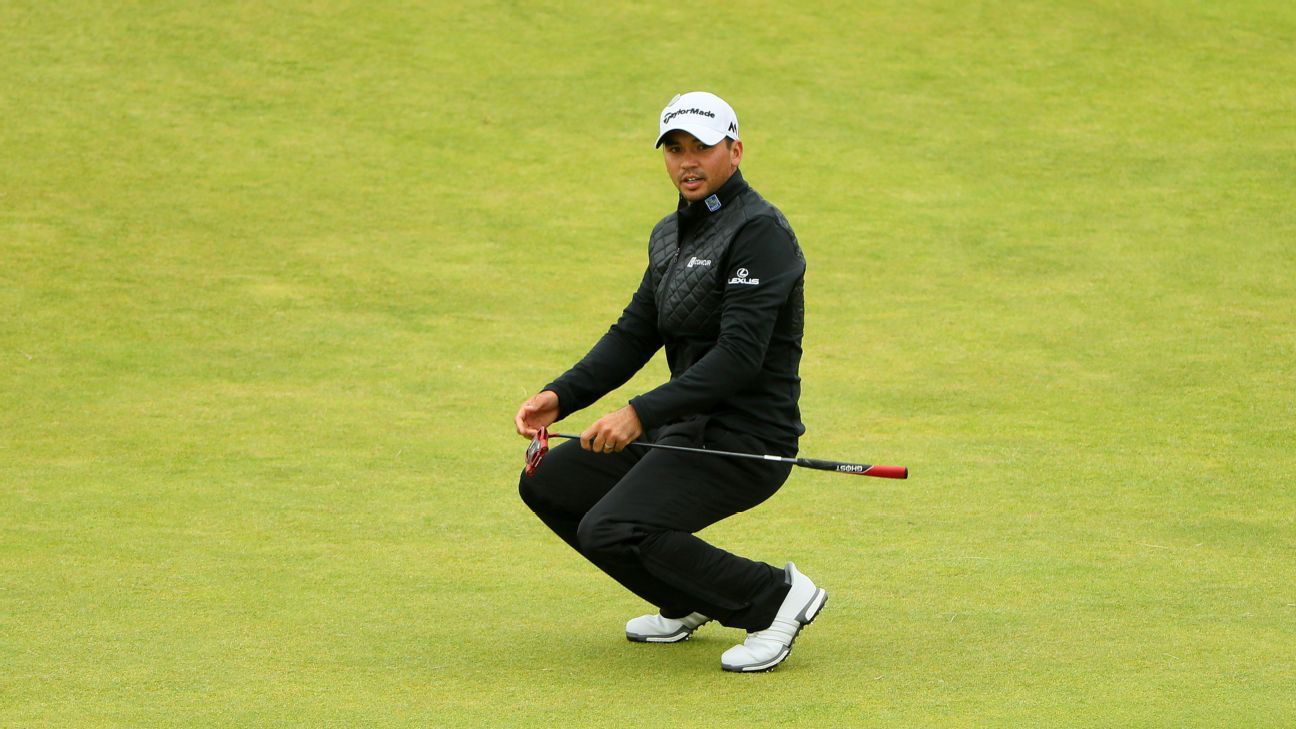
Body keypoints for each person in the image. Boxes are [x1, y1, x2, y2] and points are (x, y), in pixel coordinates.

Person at [513, 91, 822, 673]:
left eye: (702, 148)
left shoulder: (761, 232)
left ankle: (774, 596)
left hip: (745, 439)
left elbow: (738, 357)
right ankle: (685, 597)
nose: (687, 162)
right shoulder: (669, 235)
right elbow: (634, 333)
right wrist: (560, 396)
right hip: (684, 429)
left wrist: (638, 414)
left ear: (735, 151)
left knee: (611, 528)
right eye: (675, 149)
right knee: (550, 484)